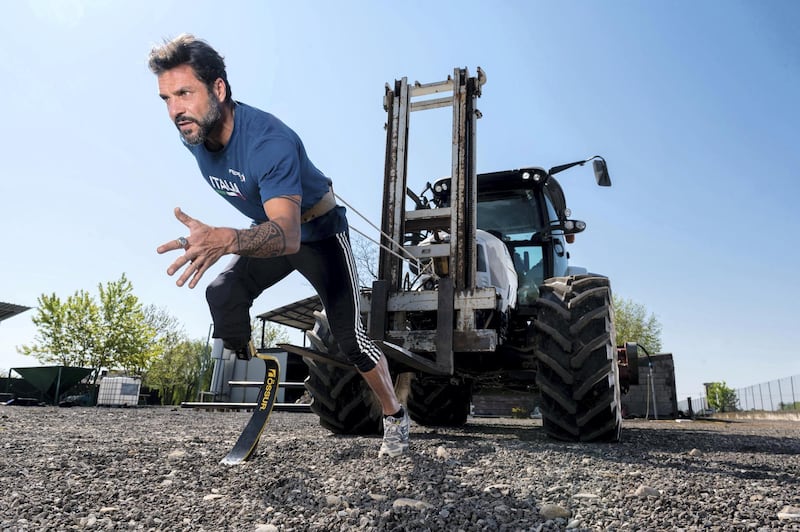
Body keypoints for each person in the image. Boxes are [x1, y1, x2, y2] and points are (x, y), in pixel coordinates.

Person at [148, 34, 409, 458]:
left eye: (184, 93)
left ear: (218, 89)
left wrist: (227, 239)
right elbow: (270, 225)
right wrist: (226, 240)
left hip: (319, 234)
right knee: (222, 292)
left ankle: (394, 416)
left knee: (351, 341)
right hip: (268, 226)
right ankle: (254, 355)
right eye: (165, 99)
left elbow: (287, 238)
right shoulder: (193, 131)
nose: (176, 110)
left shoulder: (269, 141)